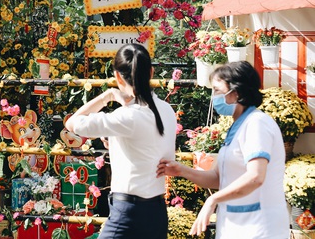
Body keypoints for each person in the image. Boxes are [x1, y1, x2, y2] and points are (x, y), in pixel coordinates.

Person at [156, 61, 289, 239]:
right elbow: (219, 178)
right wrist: (181, 170)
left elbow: (256, 176)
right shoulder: (237, 127)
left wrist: (213, 199)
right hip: (235, 226)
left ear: (236, 93)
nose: (213, 97)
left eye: (217, 90)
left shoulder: (257, 124)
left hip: (260, 228)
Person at [65, 43, 177, 239]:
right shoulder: (167, 110)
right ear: (151, 72)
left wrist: (107, 96)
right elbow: (148, 148)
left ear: (117, 76)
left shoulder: (126, 116)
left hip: (128, 212)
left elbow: (72, 123)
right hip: (156, 211)